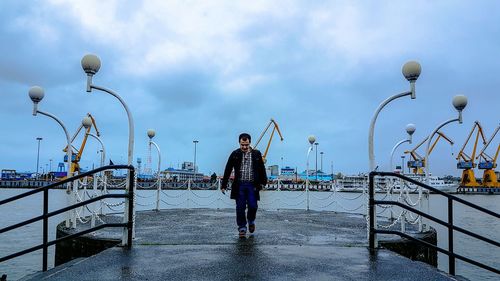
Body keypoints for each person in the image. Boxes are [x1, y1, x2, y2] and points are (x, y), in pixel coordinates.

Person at [221, 133, 267, 237]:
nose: (244, 147)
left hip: (252, 185)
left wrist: (264, 182)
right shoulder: (235, 154)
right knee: (240, 208)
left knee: (253, 206)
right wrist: (223, 185)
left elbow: (261, 169)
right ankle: (242, 228)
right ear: (239, 143)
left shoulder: (256, 154)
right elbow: (228, 169)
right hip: (239, 185)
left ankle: (251, 221)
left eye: (246, 145)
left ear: (250, 142)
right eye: (242, 145)